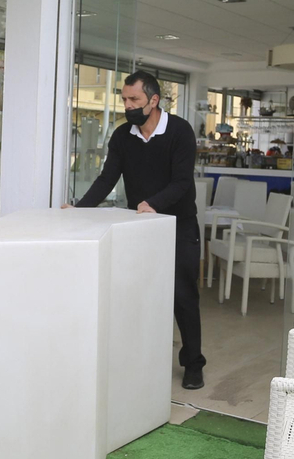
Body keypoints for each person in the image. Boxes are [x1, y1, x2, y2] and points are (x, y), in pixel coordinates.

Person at [69, 70, 205, 389]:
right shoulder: (122, 136)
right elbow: (107, 179)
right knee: (138, 295)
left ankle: (193, 363)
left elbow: (182, 183)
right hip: (141, 229)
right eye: (124, 99)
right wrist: (79, 211)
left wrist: (151, 203)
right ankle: (139, 360)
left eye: (135, 100)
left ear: (153, 100)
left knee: (182, 296)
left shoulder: (180, 132)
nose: (128, 105)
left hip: (178, 227)